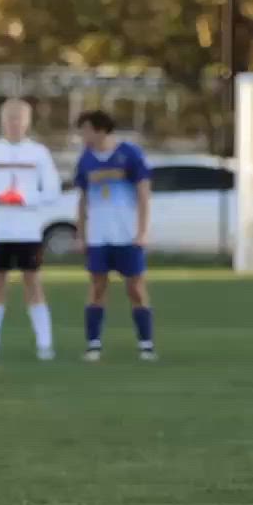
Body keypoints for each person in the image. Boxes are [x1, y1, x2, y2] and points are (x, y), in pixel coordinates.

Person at [0, 98, 60, 361]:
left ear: (27, 122)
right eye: (10, 119)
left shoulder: (39, 153)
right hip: (0, 230)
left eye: (19, 119)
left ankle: (44, 345)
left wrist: (25, 199)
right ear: (2, 121)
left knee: (33, 282)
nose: (15, 124)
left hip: (28, 230)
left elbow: (52, 191)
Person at [73, 110, 156, 362]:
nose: (82, 136)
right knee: (97, 287)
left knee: (136, 289)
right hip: (99, 236)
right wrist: (81, 234)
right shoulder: (85, 160)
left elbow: (143, 194)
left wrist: (142, 231)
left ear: (100, 130)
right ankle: (93, 344)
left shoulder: (129, 154)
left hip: (127, 235)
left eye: (85, 130)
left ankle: (146, 344)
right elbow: (83, 199)